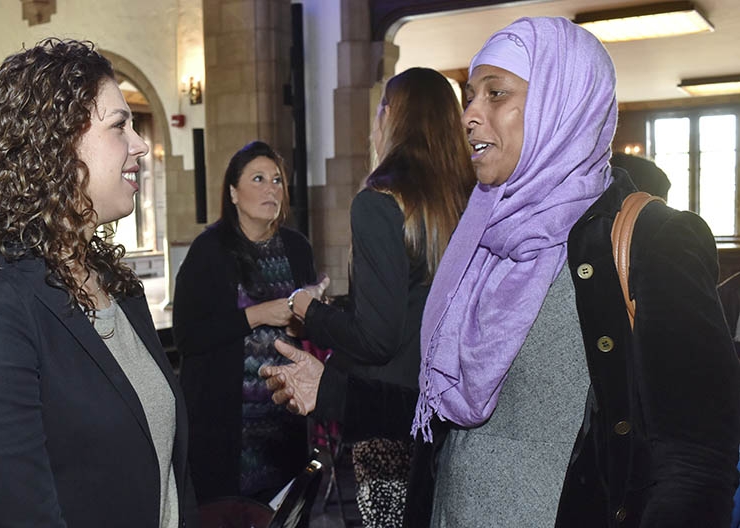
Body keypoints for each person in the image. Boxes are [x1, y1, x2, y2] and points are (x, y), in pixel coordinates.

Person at [263, 17, 740, 527]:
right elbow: (448, 415)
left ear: (563, 102)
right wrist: (330, 389)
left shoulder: (652, 240)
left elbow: (695, 464)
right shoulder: (482, 237)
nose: (469, 114)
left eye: (496, 93)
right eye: (469, 97)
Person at [0, 39, 197, 528]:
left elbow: (170, 478)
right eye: (119, 126)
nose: (139, 145)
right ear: (55, 145)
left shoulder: (118, 287)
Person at [284, 67, 474, 527]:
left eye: (377, 112)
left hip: (387, 412)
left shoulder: (380, 200)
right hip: (451, 406)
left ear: (390, 115)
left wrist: (308, 310)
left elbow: (377, 338)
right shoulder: (470, 196)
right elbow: (412, 303)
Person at [173, 141, 325, 504]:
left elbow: (305, 331)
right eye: (258, 179)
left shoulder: (296, 247)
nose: (271, 188)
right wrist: (258, 314)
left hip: (282, 423)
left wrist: (307, 321)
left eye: (277, 180)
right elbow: (188, 337)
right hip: (225, 425)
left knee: (282, 513)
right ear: (233, 192)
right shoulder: (209, 251)